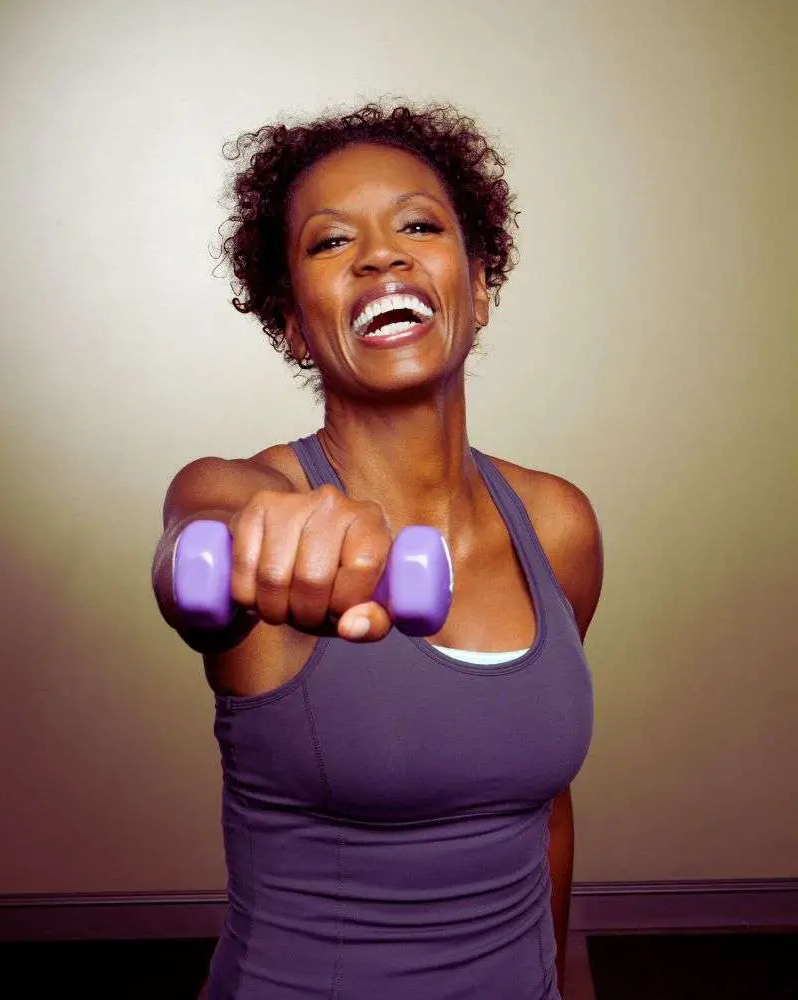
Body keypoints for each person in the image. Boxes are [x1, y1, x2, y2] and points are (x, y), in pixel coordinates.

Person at [152, 101, 603, 1000]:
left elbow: (538, 807)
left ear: (477, 288)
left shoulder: (556, 522)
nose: (380, 255)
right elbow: (195, 535)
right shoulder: (244, 495)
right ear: (291, 322)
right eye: (329, 243)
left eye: (418, 226)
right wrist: (262, 534)